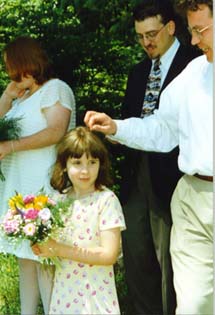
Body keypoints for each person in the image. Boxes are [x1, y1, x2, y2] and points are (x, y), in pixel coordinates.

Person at [84, 0, 213, 314]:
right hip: (192, 195)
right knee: (194, 304)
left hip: (171, 187)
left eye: (200, 30)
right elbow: (162, 129)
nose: (194, 40)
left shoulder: (186, 60)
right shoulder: (194, 73)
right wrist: (117, 127)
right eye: (192, 31)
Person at [114, 1, 200, 314]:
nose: (146, 42)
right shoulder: (138, 73)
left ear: (171, 28)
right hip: (137, 176)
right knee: (137, 257)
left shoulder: (197, 64)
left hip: (178, 180)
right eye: (140, 36)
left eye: (152, 34)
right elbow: (130, 121)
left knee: (173, 264)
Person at [0, 36, 76, 314]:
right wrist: (7, 96)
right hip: (19, 188)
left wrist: (11, 146)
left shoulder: (55, 89)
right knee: (25, 261)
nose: (8, 70)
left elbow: (56, 131)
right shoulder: (22, 97)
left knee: (45, 260)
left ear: (25, 62)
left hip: (44, 186)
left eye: (10, 64)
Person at [32, 126, 126, 315]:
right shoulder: (59, 201)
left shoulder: (106, 201)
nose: (85, 170)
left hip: (96, 294)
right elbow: (53, 248)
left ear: (101, 165)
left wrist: (59, 249)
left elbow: (109, 254)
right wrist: (42, 247)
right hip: (65, 293)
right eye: (77, 162)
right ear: (64, 165)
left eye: (92, 162)